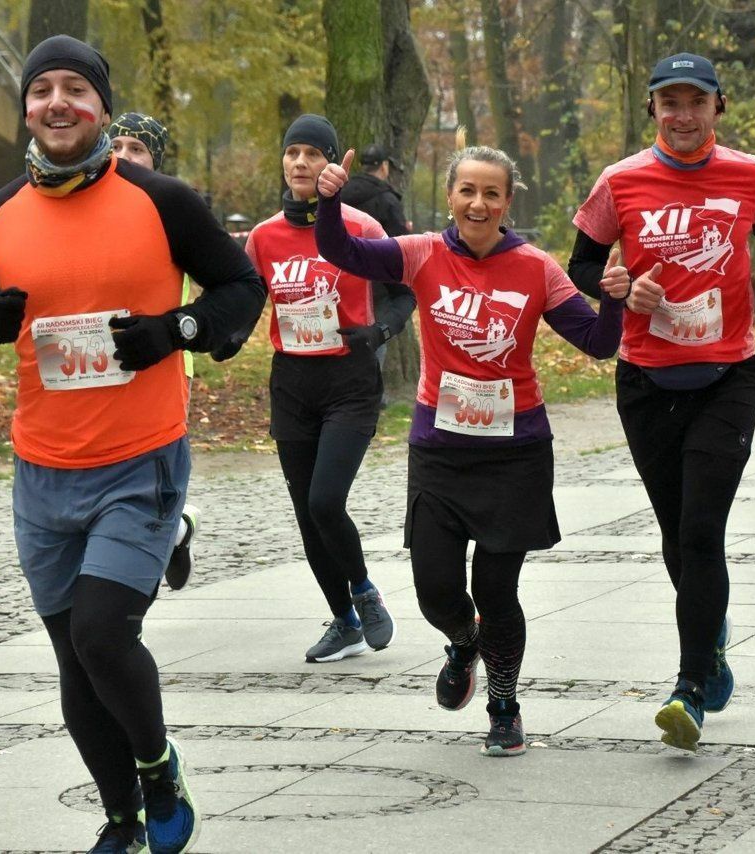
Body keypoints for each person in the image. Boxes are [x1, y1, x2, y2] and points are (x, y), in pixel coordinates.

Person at [0, 35, 266, 854]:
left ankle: (157, 769)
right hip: (41, 471)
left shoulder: (162, 202)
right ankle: (121, 817)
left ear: (102, 109)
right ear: (26, 109)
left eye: (75, 89)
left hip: (139, 461)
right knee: (73, 657)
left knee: (101, 634)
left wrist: (173, 332)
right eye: (41, 88)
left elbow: (241, 288)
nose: (57, 102)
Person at [315, 140, 626, 757]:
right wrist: (327, 202)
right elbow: (341, 250)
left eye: (491, 193)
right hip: (440, 450)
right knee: (435, 590)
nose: (478, 203)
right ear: (450, 196)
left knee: (497, 591)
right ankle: (463, 642)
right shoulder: (421, 254)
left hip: (516, 454)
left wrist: (613, 300)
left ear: (507, 203)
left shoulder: (536, 267)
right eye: (467, 191)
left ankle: (504, 707)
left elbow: (597, 343)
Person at [567, 52, 755, 752]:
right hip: (646, 381)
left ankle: (690, 685)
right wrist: (617, 286)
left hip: (728, 376)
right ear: (653, 110)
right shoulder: (620, 181)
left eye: (697, 101)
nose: (683, 115)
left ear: (718, 107)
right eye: (670, 102)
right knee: (676, 533)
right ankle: (711, 638)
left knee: (700, 531)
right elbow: (582, 263)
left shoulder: (748, 173)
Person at [213, 114, 415, 663]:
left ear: (331, 164)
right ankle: (345, 621)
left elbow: (403, 295)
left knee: (326, 500)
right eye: (292, 152)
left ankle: (365, 591)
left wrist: (380, 332)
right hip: (293, 383)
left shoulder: (362, 227)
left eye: (312, 153)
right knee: (307, 514)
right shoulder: (264, 236)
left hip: (349, 380)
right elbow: (250, 299)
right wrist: (230, 337)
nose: (300, 163)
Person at [106, 111, 200, 590]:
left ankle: (158, 541)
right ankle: (174, 530)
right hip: (100, 361)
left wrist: (185, 327)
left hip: (166, 360)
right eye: (115, 145)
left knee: (152, 465)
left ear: (155, 160)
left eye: (137, 149)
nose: (123, 156)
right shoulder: (87, 203)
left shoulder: (170, 207)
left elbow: (225, 281)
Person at [340, 142, 411, 408]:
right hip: (377, 283)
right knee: (375, 337)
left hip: (339, 279)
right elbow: (402, 245)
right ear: (384, 166)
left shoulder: (339, 193)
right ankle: (371, 395)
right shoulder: (387, 199)